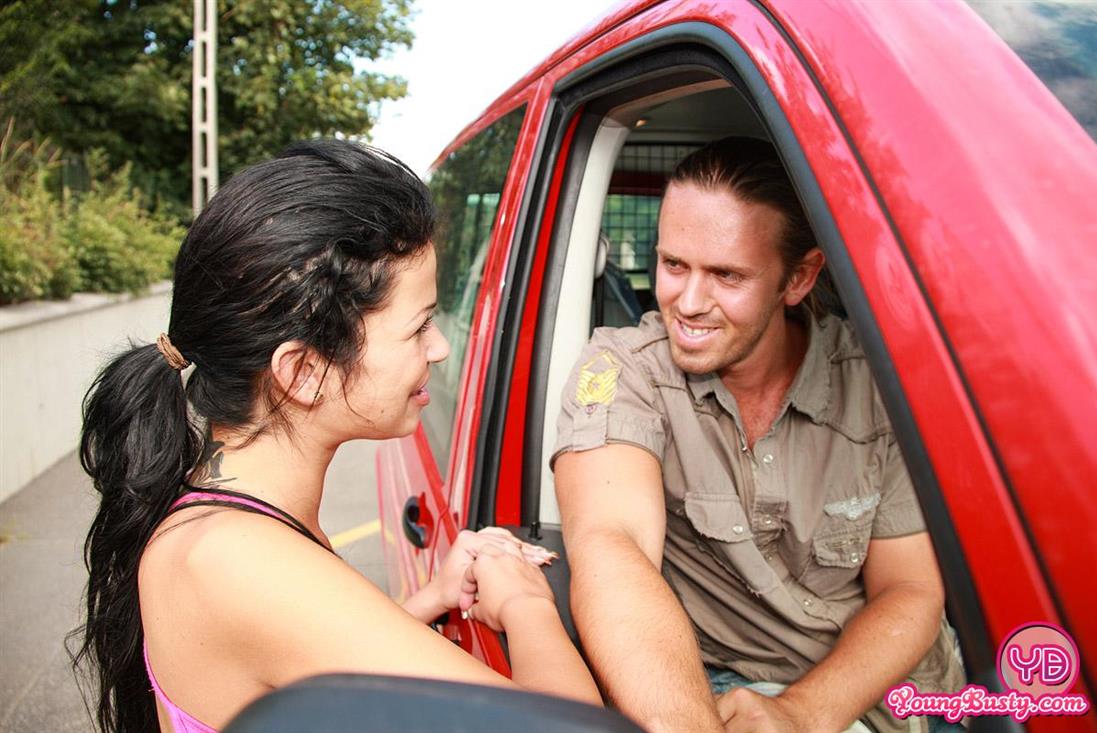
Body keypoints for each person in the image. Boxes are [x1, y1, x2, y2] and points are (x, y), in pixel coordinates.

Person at [72, 139, 599, 733]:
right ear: (304, 372)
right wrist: (526, 601)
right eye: (419, 327)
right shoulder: (243, 563)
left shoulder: (222, 521)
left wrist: (430, 599)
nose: (440, 348)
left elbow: (299, 674)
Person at [551, 138, 965, 733]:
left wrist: (802, 713)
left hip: (895, 691)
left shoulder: (877, 386)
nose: (688, 303)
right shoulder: (625, 371)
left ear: (798, 278)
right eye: (673, 265)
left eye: (727, 275)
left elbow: (910, 590)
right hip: (726, 687)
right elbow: (613, 549)